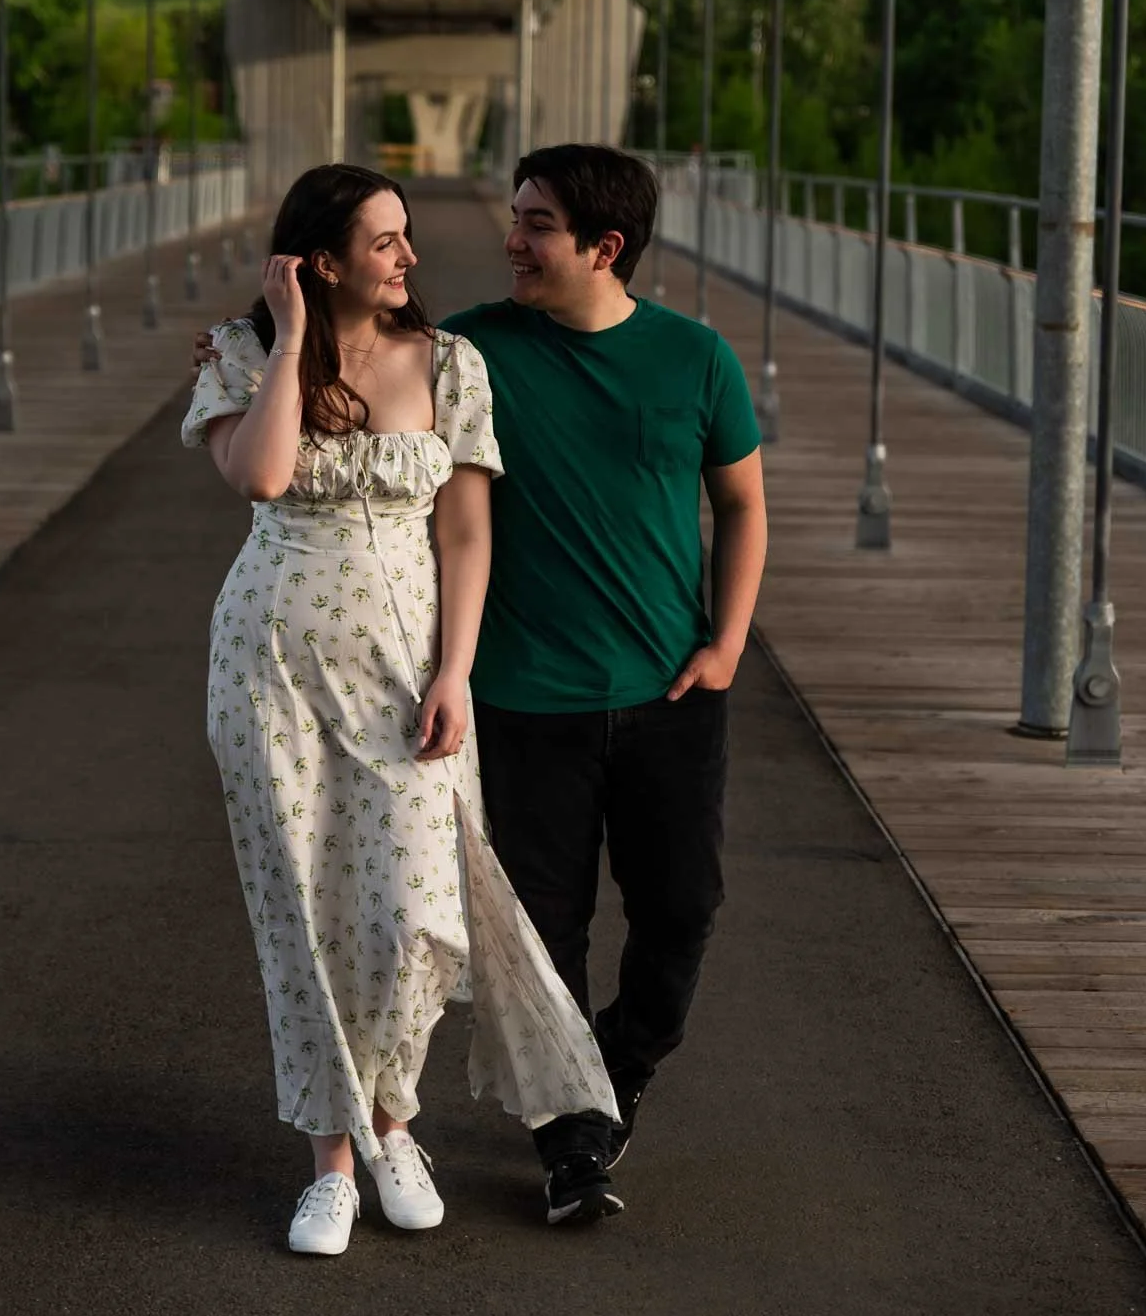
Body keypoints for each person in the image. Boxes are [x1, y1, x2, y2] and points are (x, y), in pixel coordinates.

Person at [180, 163, 618, 1258]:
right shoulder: (243, 357)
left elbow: (466, 535)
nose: (410, 257)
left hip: (406, 668)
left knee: (410, 916)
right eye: (384, 242)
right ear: (320, 260)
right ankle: (332, 1157)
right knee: (301, 909)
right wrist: (287, 340)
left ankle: (395, 1123)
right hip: (270, 664)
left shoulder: (452, 364)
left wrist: (454, 671)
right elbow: (266, 478)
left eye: (406, 237)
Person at [437, 144, 767, 1206]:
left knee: (682, 909)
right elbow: (355, 353)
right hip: (525, 699)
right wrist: (260, 338)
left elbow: (742, 505)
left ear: (603, 247)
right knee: (545, 933)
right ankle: (572, 1137)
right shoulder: (473, 350)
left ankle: (613, 1068)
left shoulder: (694, 359)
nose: (512, 240)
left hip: (670, 698)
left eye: (535, 223)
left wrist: (724, 643)